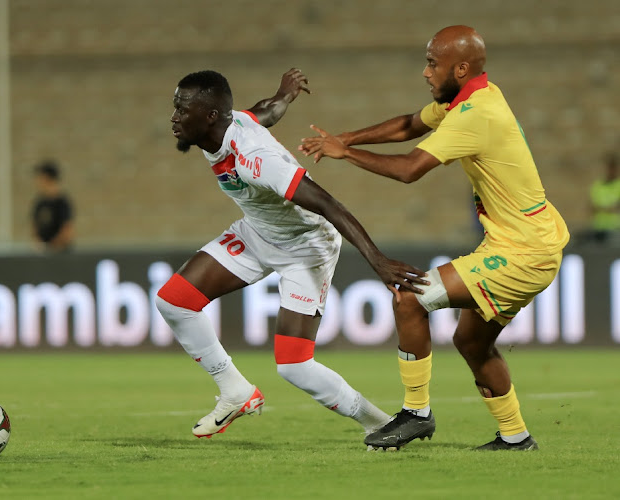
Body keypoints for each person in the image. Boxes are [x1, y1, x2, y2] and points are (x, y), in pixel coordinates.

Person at [299, 25, 570, 451]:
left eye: (432, 63)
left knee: (409, 298)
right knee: (470, 342)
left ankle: (416, 413)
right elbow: (409, 125)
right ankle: (516, 438)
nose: (425, 73)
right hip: (526, 244)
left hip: (524, 251)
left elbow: (410, 169)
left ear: (460, 68)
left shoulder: (475, 114)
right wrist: (345, 138)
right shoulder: (474, 97)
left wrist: (346, 154)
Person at [156, 68, 427, 439]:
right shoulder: (228, 127)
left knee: (294, 366)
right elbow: (265, 111)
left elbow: (330, 205)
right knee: (174, 301)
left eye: (181, 109)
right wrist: (285, 92)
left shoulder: (256, 159)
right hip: (258, 233)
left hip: (306, 246)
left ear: (210, 117)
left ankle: (380, 424)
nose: (173, 117)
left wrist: (378, 262)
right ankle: (236, 392)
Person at [31, 160, 75, 253]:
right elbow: (35, 228)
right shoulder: (40, 203)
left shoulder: (62, 203)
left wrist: (52, 247)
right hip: (43, 255)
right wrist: (40, 246)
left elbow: (67, 231)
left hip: (61, 255)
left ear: (47, 178)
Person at [587, 153, 620, 244]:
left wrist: (603, 208)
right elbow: (592, 206)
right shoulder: (598, 185)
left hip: (616, 229)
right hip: (599, 228)